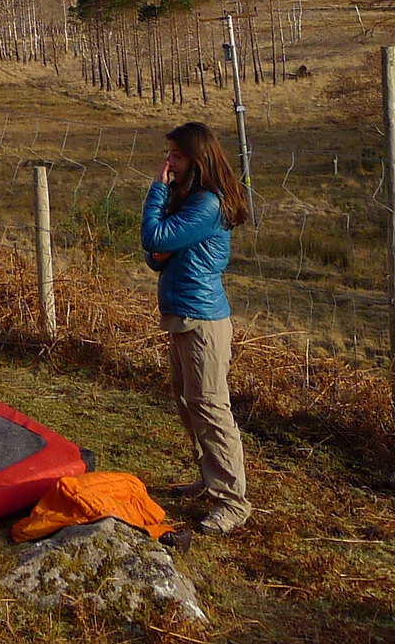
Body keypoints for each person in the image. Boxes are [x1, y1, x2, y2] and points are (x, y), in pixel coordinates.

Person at [141, 120, 253, 534]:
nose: (168, 162)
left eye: (176, 155)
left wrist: (158, 188)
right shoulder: (192, 199)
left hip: (202, 318)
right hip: (183, 314)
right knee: (188, 403)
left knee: (209, 405)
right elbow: (156, 253)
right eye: (169, 154)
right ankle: (211, 479)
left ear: (197, 159)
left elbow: (153, 234)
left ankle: (233, 501)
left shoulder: (207, 204)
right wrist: (160, 246)